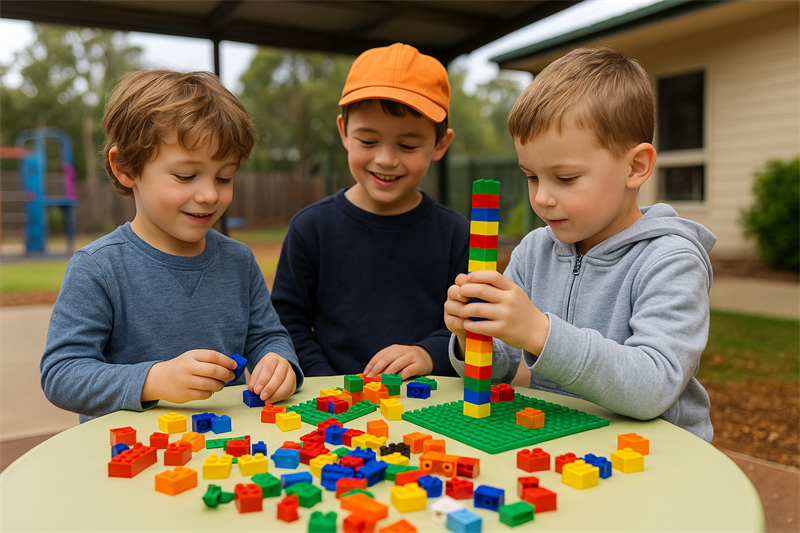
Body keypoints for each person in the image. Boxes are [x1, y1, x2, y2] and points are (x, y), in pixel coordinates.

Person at [444, 47, 716, 441]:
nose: (542, 198)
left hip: (655, 455)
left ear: (635, 167)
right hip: (559, 443)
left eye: (565, 178)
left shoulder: (670, 259)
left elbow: (654, 386)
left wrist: (539, 332)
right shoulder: (533, 252)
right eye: (531, 177)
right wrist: (472, 335)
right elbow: (500, 368)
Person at [40, 70, 302, 422]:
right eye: (185, 176)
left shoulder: (238, 261)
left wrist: (279, 362)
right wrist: (154, 380)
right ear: (125, 168)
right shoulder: (99, 267)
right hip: (129, 450)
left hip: (226, 446)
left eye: (224, 177)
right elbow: (62, 374)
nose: (209, 195)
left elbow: (268, 337)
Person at [271, 43, 468, 379]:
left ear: (440, 144)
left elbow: (472, 327)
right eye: (368, 141)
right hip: (331, 401)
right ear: (344, 132)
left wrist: (429, 353)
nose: (386, 159)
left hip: (431, 403)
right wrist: (331, 385)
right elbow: (287, 324)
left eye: (407, 145)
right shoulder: (311, 228)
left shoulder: (457, 234)